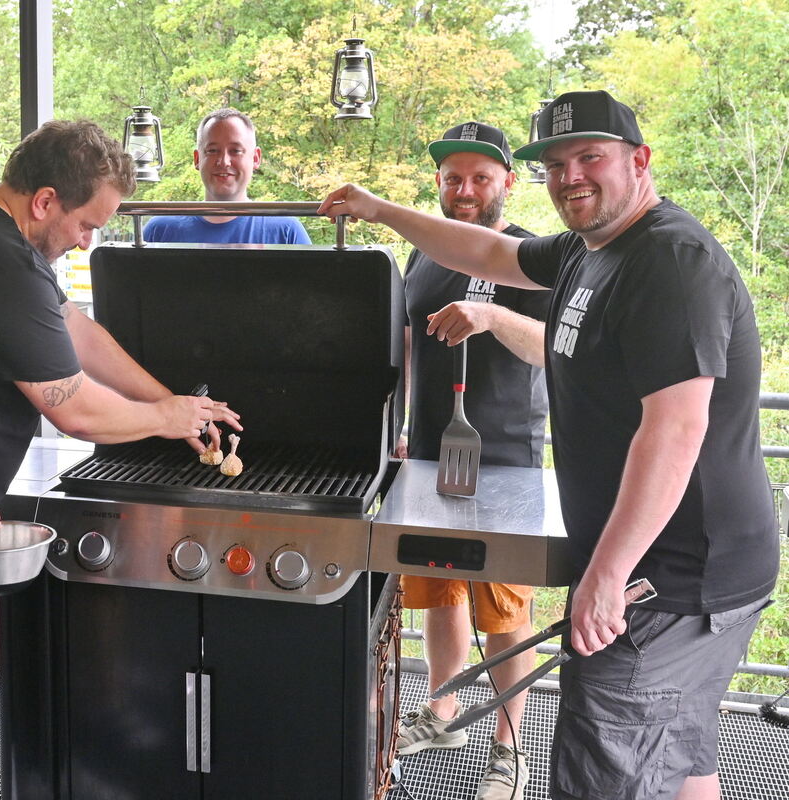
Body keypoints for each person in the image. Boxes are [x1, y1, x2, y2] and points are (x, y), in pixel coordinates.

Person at [321, 90, 778, 800]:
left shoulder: (668, 261)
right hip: (675, 575)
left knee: (607, 767)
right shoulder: (586, 251)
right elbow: (485, 249)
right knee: (679, 758)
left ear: (639, 160)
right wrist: (380, 210)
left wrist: (604, 575)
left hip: (669, 582)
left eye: (589, 157)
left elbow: (677, 427)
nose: (570, 177)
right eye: (555, 163)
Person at [0, 119, 242, 800]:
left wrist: (176, 404)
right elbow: (71, 407)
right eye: (86, 224)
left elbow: (73, 329)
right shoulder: (0, 264)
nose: (87, 241)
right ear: (44, 201)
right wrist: (164, 420)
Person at [394, 121, 548, 800]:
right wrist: (395, 431)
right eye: (452, 178)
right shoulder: (422, 256)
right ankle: (443, 711)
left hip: (506, 457)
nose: (463, 191)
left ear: (505, 184)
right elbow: (404, 350)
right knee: (437, 590)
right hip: (428, 452)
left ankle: (509, 751)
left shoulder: (526, 256)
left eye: (479, 179)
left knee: (504, 610)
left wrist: (491, 318)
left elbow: (552, 347)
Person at [142, 108, 311, 244]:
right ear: (197, 159)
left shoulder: (286, 232)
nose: (224, 161)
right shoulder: (161, 231)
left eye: (235, 151)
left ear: (255, 158)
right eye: (212, 151)